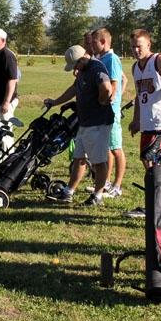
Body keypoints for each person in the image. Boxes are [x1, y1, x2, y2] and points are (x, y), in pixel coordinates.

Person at [44, 45, 113, 205]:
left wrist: (102, 100)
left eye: (75, 65)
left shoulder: (96, 68)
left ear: (82, 59)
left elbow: (107, 87)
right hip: (84, 122)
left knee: (98, 161)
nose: (75, 69)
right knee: (78, 158)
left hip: (98, 123)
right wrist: (55, 102)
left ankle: (98, 196)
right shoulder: (83, 70)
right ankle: (69, 191)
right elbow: (74, 89)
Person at [125, 28, 161, 219]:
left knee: (152, 159)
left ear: (148, 44)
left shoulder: (159, 61)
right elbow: (141, 96)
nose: (136, 50)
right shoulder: (135, 67)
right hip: (148, 121)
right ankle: (157, 200)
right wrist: (136, 119)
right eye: (133, 47)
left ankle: (160, 202)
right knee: (146, 159)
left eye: (139, 46)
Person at [92, 28, 128, 199]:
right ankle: (105, 182)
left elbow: (114, 82)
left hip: (111, 111)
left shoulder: (111, 59)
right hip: (102, 112)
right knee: (107, 148)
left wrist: (109, 100)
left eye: (94, 42)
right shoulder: (101, 58)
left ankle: (117, 185)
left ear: (104, 42)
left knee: (116, 148)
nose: (91, 45)